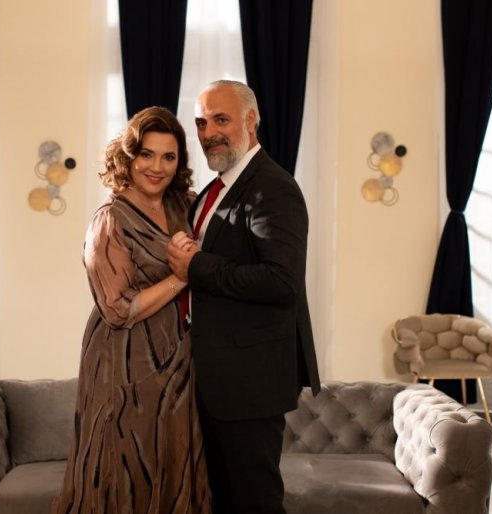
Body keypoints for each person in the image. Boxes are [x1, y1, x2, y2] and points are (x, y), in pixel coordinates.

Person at [167, 80, 321, 514]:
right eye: (201, 122)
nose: (209, 132)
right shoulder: (214, 191)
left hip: (250, 383)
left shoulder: (272, 187)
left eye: (221, 119)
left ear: (251, 121)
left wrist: (196, 266)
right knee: (223, 500)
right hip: (214, 380)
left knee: (255, 503)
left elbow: (281, 281)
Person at [51, 106, 211, 514]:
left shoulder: (187, 204)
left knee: (177, 461)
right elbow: (117, 310)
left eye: (169, 157)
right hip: (124, 362)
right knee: (127, 468)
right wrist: (181, 276)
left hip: (180, 357)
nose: (157, 167)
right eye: (147, 155)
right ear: (128, 156)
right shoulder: (109, 221)